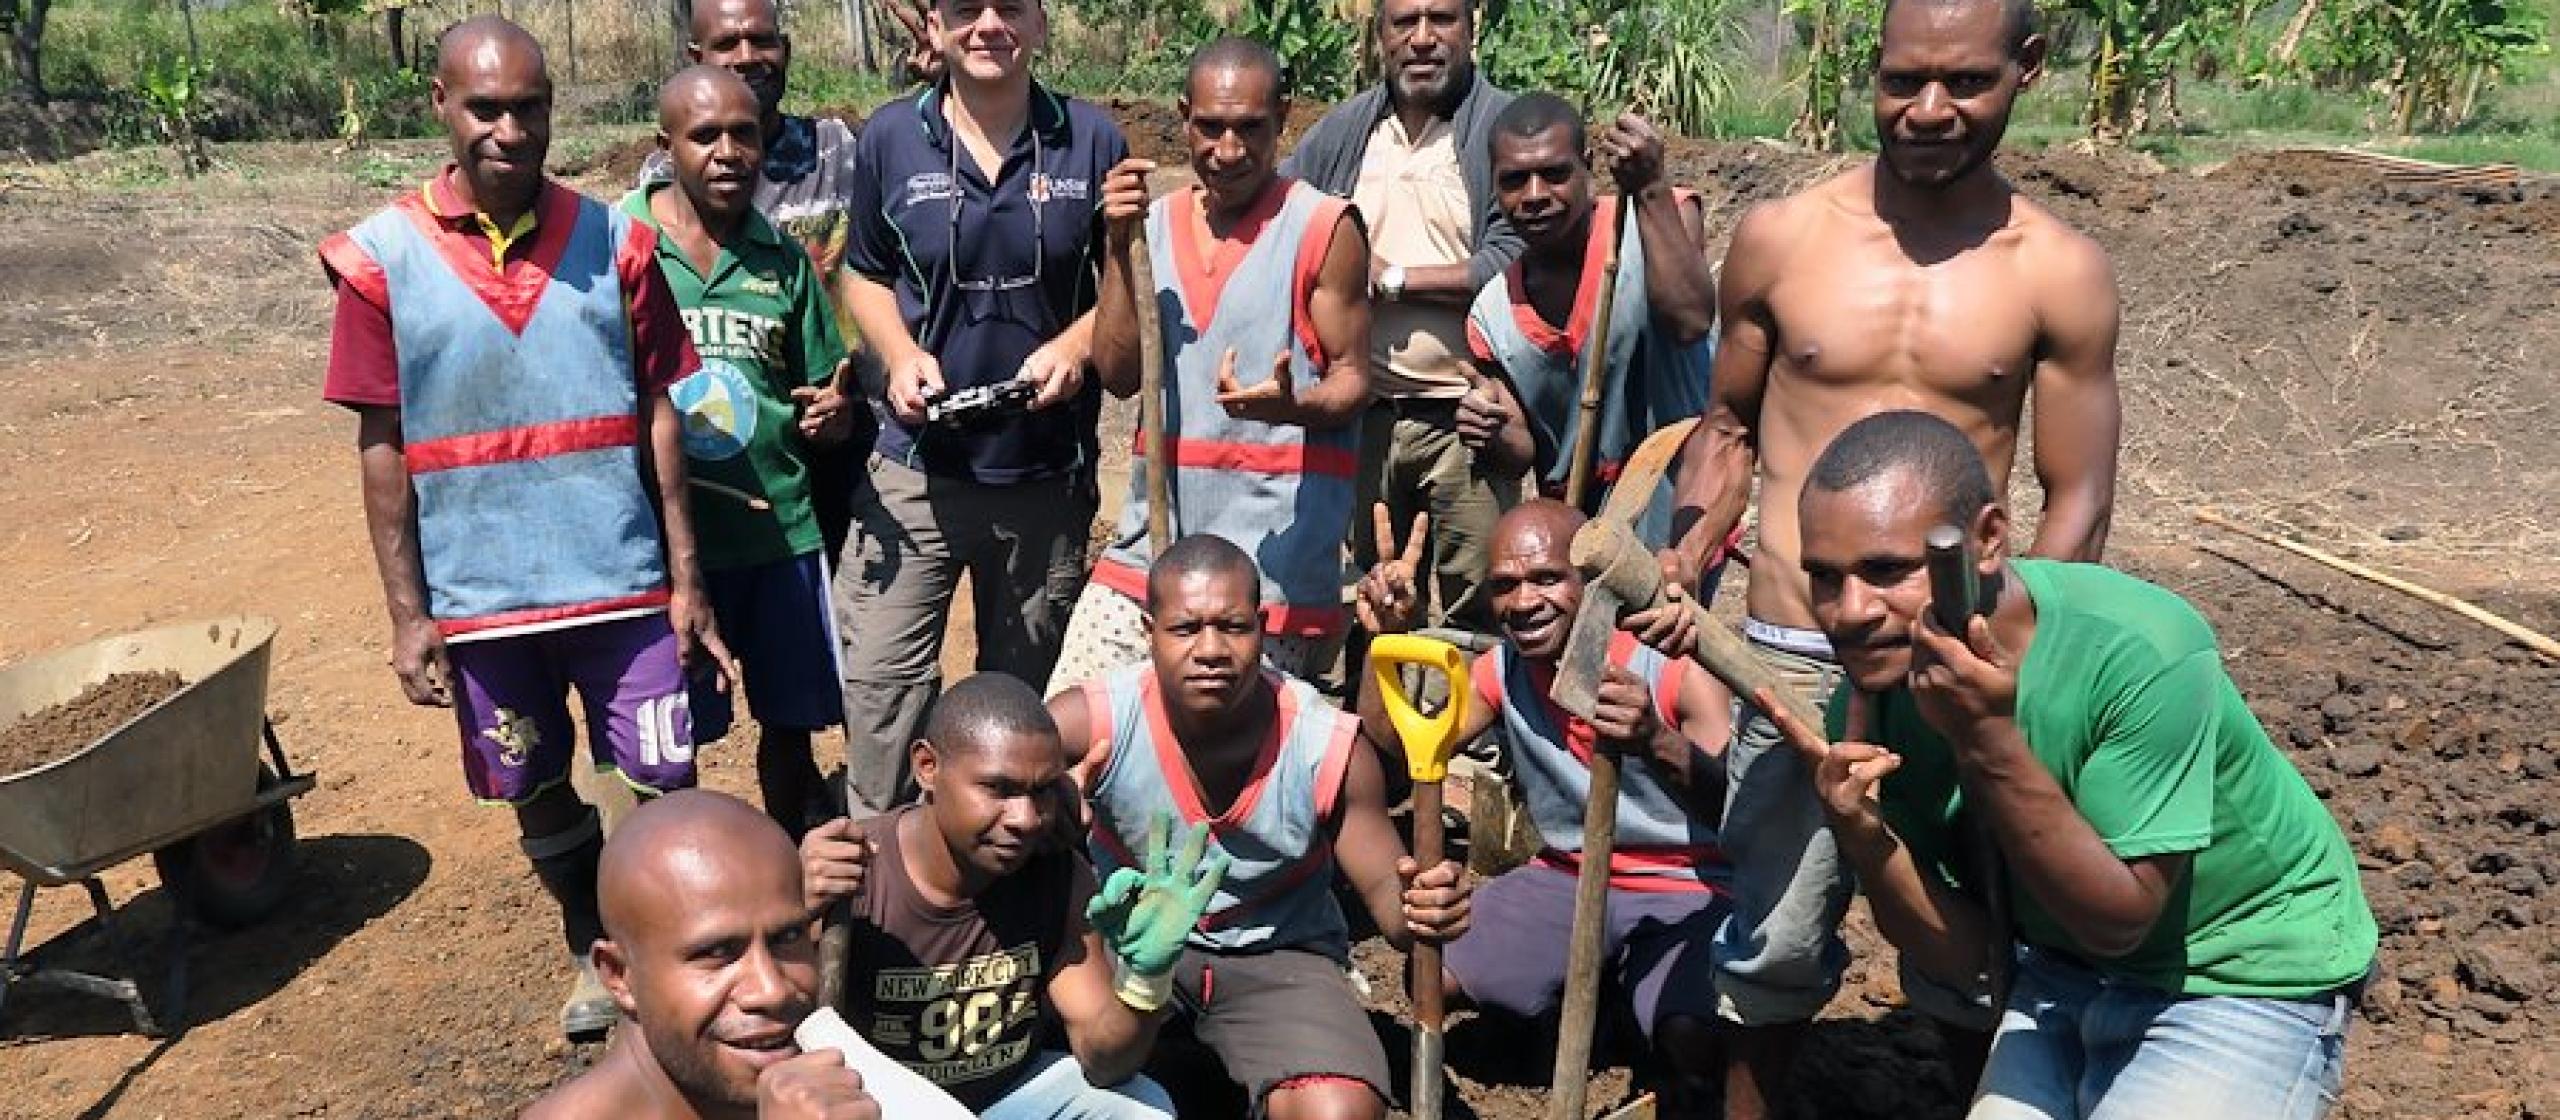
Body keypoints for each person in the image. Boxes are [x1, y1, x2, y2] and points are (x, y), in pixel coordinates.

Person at [1648, 1, 2123, 1109]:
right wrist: (1687, 551)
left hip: (1952, 659)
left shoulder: (2057, 271)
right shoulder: (1782, 238)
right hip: (1793, 644)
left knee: (1975, 950)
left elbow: (2078, 495)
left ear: (2027, 69)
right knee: (1767, 937)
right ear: (1871, 71)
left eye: (1963, 83)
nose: (1927, 110)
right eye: (1903, 80)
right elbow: (1724, 425)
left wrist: (2013, 665)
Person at [1760, 409, 2375, 1119]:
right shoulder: (1874, 702)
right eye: (1826, 578)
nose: (1850, 611)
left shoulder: (2140, 649)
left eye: (1887, 570)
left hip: (2242, 970)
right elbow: (1965, 959)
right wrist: (1864, 834)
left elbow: (2120, 921)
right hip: (2063, 973)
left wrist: (1986, 738)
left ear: (1987, 540)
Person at [317, 16, 736, 1041]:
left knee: (659, 778)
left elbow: (660, 415)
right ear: (440, 108)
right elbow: (383, 447)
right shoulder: (381, 262)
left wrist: (687, 578)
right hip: (484, 601)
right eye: (485, 107)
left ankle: (658, 956)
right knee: (536, 783)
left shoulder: (618, 242)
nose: (509, 129)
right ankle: (588, 945)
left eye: (530, 107)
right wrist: (408, 614)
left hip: (624, 584)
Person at [1047, 535, 1474, 1120]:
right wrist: (1051, 817)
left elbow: (1386, 899)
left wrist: (1426, 905)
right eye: (1185, 629)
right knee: (1060, 1068)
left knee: (1338, 1111)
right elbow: (972, 801)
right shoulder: (1089, 723)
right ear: (1149, 632)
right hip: (1129, 943)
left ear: (1264, 627)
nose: (1211, 649)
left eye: (1233, 626)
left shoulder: (1325, 748)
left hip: (1276, 959)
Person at [834, 0, 1138, 818]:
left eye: (1012, 7)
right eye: (967, 8)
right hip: (913, 472)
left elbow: (1125, 287)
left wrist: (1075, 348)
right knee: (884, 693)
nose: (989, 24)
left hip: (1042, 480)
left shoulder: (1093, 141)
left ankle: (1004, 886)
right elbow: (861, 273)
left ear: (1042, 25)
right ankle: (884, 881)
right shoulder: (892, 139)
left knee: (1020, 704)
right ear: (934, 27)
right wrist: (898, 356)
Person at [1356, 498, 1741, 1117]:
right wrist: (1386, 645)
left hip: (1690, 886)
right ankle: (1600, 1002)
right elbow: (1398, 754)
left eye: (1546, 578)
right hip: (1568, 875)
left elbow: (1737, 812)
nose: (1524, 601)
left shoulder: (1667, 662)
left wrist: (1655, 740)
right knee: (1433, 973)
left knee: (1692, 1040)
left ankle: (1644, 1011)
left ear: (1589, 582)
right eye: (1505, 585)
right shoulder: (1503, 669)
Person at [1048, 38, 1373, 690]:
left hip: (1266, 576)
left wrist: (1291, 408)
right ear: (1184, 117)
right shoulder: (1152, 224)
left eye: (1251, 128)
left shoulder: (1324, 228)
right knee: (1073, 730)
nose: (1228, 150)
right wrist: (1118, 243)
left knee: (1226, 768)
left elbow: (1354, 380)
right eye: (1211, 127)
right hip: (1150, 553)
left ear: (1283, 118)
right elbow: (1117, 373)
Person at [798, 674, 1204, 1118]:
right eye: (999, 789)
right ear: (927, 767)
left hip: (1010, 1098)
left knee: (1146, 1109)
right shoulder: (854, 874)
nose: (1026, 819)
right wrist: (795, 918)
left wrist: (1145, 980)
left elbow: (1105, 1062)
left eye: (1042, 791)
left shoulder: (1057, 874)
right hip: (887, 1104)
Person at [624, 67, 856, 837]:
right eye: (704, 136)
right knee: (670, 740)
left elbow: (824, 392)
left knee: (787, 726)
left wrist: (835, 415)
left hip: (778, 534)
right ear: (666, 148)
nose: (728, 152)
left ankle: (790, 868)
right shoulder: (623, 244)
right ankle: (678, 883)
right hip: (664, 546)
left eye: (745, 133)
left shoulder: (783, 261)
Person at [1286, 0, 1523, 632]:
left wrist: (1386, 279)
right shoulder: (1346, 133)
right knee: (1373, 599)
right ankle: (1381, 728)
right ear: (1381, 34)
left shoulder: (1501, 128)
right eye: (1404, 23)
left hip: (1466, 421)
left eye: (1441, 20)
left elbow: (1513, 256)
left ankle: (1482, 730)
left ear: (1472, 28)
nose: (1422, 39)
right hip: (1367, 420)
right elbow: (1286, 219)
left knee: (1484, 601)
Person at [641, 0, 879, 563]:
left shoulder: (839, 150)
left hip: (839, 421)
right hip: (714, 435)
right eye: (727, 44)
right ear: (695, 56)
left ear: (785, 50)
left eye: (761, 40)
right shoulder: (658, 183)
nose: (747, 58)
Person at [522, 790, 884, 1120]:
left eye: (787, 937)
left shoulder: (847, 1092)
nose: (772, 989)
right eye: (715, 953)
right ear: (620, 976)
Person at [1461, 95, 1716, 557]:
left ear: (1588, 166)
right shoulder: (1492, 314)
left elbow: (1690, 321)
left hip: (1679, 527)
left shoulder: (1657, 222)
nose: (1535, 195)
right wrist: (1489, 429)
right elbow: (1520, 452)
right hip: (1583, 543)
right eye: (1514, 181)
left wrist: (1651, 187)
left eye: (1555, 174)